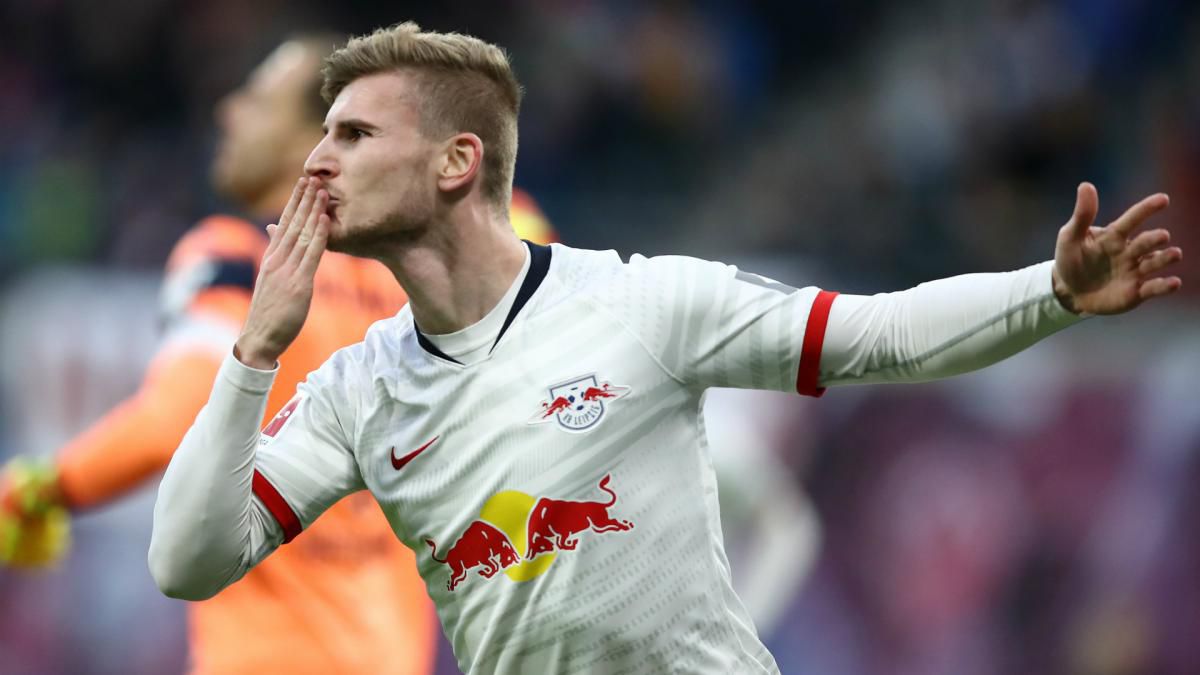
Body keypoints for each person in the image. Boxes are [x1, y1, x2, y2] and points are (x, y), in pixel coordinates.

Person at [146, 22, 1184, 674]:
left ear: (457, 163)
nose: (316, 163)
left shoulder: (640, 302)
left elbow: (884, 336)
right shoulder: (355, 389)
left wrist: (1052, 293)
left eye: (353, 135)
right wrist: (253, 353)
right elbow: (186, 562)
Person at [0, 33, 556, 674]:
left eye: (258, 99)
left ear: (319, 140)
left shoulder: (239, 258)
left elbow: (177, 415)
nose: (229, 111)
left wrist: (46, 488)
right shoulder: (418, 282)